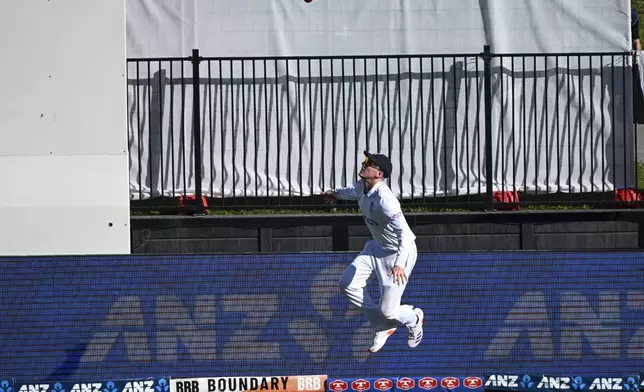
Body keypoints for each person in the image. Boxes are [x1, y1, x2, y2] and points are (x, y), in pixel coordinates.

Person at [324, 151, 423, 353]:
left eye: (369, 163)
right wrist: (334, 193)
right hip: (375, 248)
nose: (364, 163)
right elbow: (351, 191)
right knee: (347, 284)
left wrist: (399, 264)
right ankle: (384, 326)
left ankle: (414, 317)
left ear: (379, 174)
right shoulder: (362, 186)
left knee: (389, 310)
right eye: (366, 160)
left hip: (398, 255)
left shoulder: (386, 200)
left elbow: (407, 235)